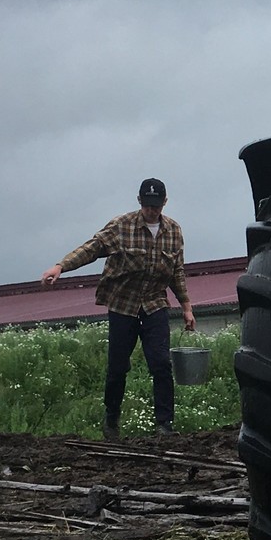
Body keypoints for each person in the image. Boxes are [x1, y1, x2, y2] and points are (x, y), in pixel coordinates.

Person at [41, 177, 196, 440]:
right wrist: (61, 267)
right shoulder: (121, 226)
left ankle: (165, 425)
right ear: (139, 202)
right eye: (147, 205)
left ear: (165, 203)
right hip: (123, 305)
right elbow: (92, 248)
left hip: (155, 304)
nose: (152, 210)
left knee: (160, 364)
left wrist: (186, 306)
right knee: (117, 367)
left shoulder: (174, 231)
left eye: (156, 205)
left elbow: (176, 271)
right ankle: (111, 420)